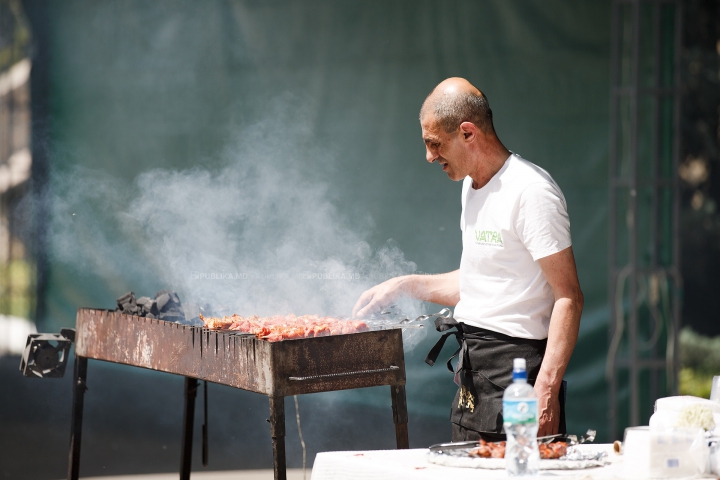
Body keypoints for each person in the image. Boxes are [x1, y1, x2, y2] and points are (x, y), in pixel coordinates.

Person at [352, 77, 583, 441]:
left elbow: (569, 296)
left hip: (519, 374)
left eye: (434, 144)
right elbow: (480, 281)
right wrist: (404, 285)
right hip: (473, 369)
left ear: (468, 133)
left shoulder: (532, 191)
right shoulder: (470, 187)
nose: (429, 156)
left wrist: (547, 389)